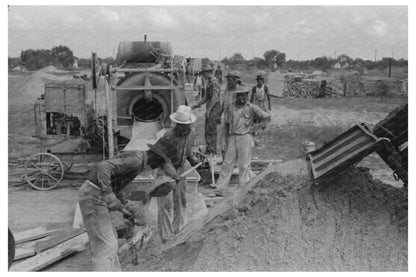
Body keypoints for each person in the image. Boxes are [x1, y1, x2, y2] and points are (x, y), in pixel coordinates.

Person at [78, 139, 181, 271]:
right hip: (94, 195)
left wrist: (123, 206)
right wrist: (108, 193)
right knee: (106, 246)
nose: (158, 168)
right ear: (156, 158)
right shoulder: (136, 161)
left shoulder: (138, 162)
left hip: (97, 196)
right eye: (161, 164)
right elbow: (103, 166)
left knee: (110, 244)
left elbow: (117, 182)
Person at [211, 84, 271, 197]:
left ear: (247, 95)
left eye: (244, 95)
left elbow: (267, 118)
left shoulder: (252, 107)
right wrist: (223, 140)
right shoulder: (230, 107)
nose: (242, 98)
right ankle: (220, 190)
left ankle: (243, 190)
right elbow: (225, 125)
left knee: (244, 165)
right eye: (239, 96)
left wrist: (255, 128)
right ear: (236, 96)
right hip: (232, 137)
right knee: (227, 164)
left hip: (245, 137)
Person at [157, 105, 200, 240]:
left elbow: (187, 153)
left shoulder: (191, 134)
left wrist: (194, 161)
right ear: (176, 124)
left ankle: (179, 231)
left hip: (181, 168)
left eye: (186, 125)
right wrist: (173, 175)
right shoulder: (168, 136)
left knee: (181, 201)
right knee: (166, 204)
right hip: (165, 170)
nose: (184, 128)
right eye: (181, 125)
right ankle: (166, 236)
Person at [192, 63, 222, 157]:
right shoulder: (209, 82)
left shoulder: (214, 83)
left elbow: (214, 97)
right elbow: (206, 97)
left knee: (211, 130)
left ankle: (212, 152)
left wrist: (208, 110)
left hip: (214, 110)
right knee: (208, 130)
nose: (203, 75)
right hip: (212, 110)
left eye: (204, 73)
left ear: (208, 72)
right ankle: (209, 150)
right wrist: (197, 104)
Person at [218, 70, 241, 160]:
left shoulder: (239, 91)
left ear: (235, 81)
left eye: (231, 80)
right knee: (223, 138)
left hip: (236, 119)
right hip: (227, 118)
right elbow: (223, 103)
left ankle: (234, 161)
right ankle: (224, 160)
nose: (229, 82)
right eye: (228, 80)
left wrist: (241, 83)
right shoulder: (227, 90)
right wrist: (219, 115)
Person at [250, 74, 272, 147]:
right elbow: (252, 96)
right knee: (255, 117)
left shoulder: (265, 87)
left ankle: (262, 129)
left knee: (264, 117)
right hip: (256, 103)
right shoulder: (254, 88)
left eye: (261, 80)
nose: (259, 82)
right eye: (258, 80)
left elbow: (268, 97)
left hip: (263, 103)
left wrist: (269, 106)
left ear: (263, 81)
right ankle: (255, 130)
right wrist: (250, 105)